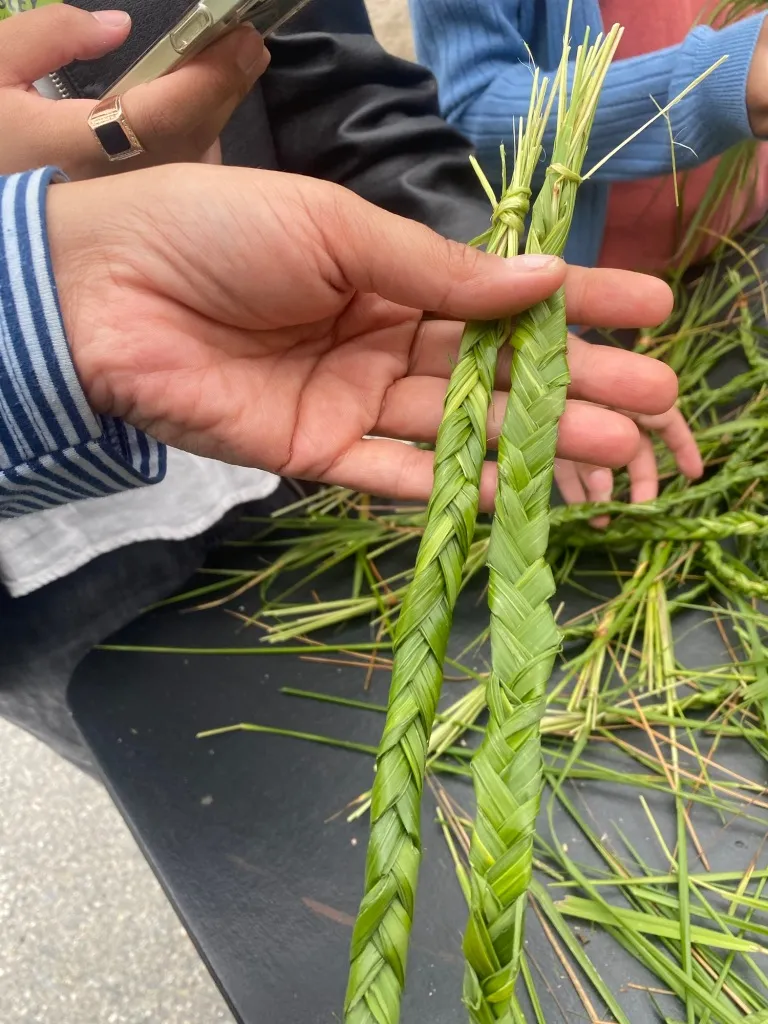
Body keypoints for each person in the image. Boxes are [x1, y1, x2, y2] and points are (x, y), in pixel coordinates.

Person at [0, 3, 687, 770]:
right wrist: (47, 284)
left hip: (301, 388)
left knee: (349, 741)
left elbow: (332, 84)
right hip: (43, 578)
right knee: (173, 771)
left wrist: (476, 297)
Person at [410, 0, 767, 505]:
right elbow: (470, 113)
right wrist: (718, 80)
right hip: (574, 311)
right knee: (601, 492)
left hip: (740, 256)